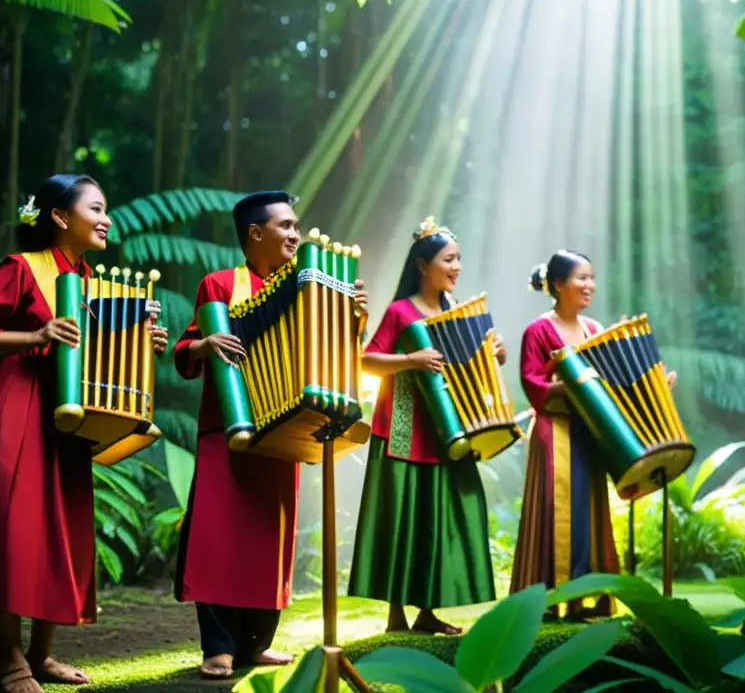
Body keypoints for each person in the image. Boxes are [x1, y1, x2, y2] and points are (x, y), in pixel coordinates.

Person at [0, 175, 168, 693]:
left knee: (58, 528)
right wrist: (35, 335)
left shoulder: (92, 282)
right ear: (60, 216)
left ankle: (41, 656)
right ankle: (11, 660)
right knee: (10, 532)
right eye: (96, 208)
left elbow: (99, 353)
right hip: (20, 405)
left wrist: (141, 341)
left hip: (70, 414)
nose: (106, 219)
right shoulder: (22, 268)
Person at [171, 190, 368, 678]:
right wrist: (204, 343)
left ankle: (257, 643)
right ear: (255, 234)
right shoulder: (219, 283)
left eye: (298, 226)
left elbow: (327, 346)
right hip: (229, 425)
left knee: (270, 536)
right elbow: (184, 349)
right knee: (219, 536)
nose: (296, 235)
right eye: (286, 226)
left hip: (284, 423)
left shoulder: (306, 282)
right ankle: (217, 645)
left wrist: (351, 314)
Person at [348, 216, 501, 635]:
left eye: (458, 260)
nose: (456, 267)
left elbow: (471, 369)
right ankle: (396, 614)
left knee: (437, 519)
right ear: (422, 265)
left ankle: (428, 611)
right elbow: (366, 358)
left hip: (448, 427)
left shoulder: (458, 312)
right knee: (402, 517)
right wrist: (410, 361)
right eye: (448, 259)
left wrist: (494, 355)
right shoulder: (401, 311)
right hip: (402, 425)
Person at [510, 250, 677, 619]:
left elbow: (612, 383)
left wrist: (654, 387)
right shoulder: (537, 330)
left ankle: (585, 597)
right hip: (555, 431)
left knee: (589, 511)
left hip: (589, 430)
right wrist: (572, 384)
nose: (589, 285)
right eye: (580, 278)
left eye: (591, 278)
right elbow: (533, 385)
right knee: (556, 510)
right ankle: (549, 600)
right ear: (557, 285)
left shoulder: (594, 329)